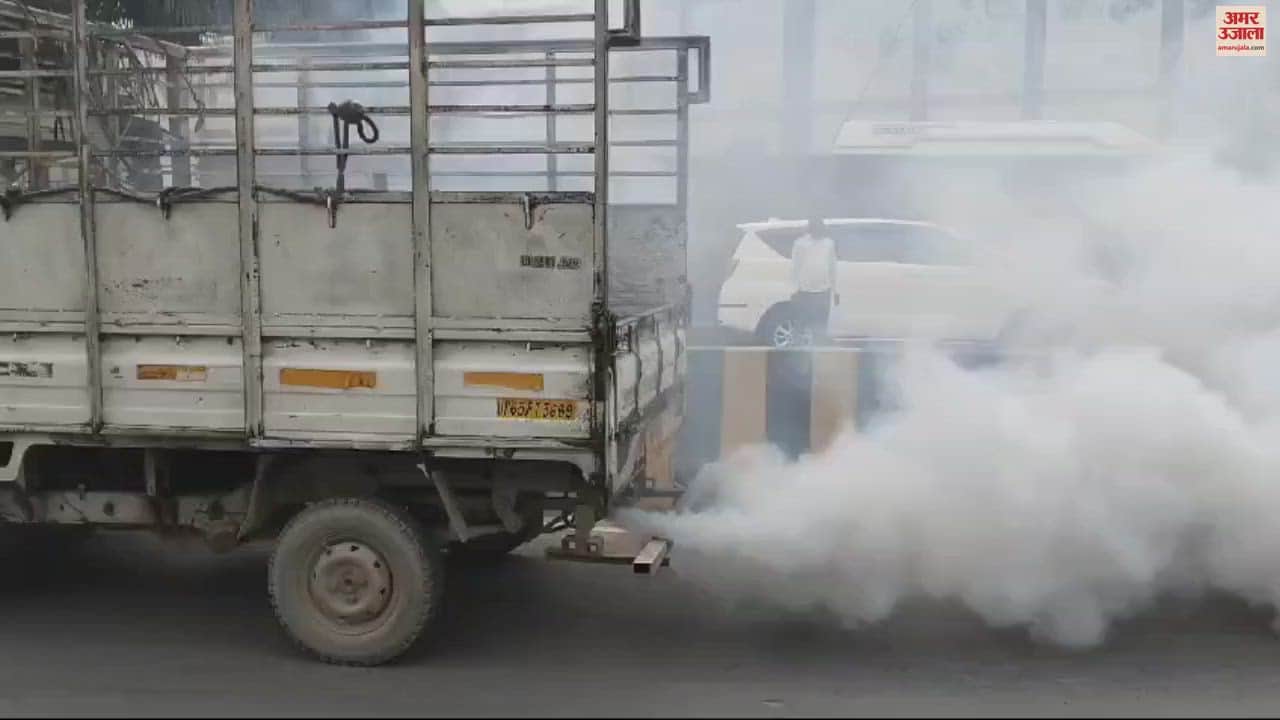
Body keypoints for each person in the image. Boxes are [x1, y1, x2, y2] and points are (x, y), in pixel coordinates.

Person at [789, 216, 837, 344]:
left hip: (824, 289)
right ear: (810, 229)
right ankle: (797, 351)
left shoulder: (829, 243)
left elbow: (832, 266)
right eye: (815, 229)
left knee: (820, 324)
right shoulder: (800, 243)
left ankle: (819, 349)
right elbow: (795, 266)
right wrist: (794, 288)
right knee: (801, 322)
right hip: (805, 289)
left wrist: (834, 289)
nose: (818, 232)